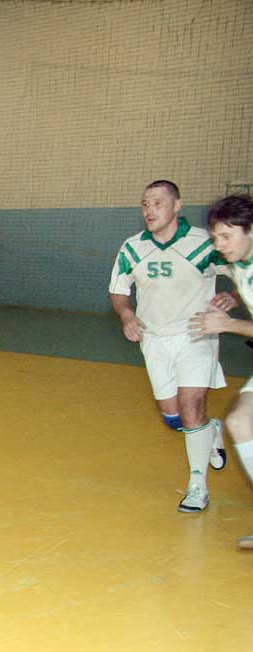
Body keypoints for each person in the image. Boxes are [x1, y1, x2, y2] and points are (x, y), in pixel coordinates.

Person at [108, 180, 234, 513]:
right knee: (174, 417)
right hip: (154, 339)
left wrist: (233, 296)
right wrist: (126, 314)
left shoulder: (204, 243)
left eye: (158, 203)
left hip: (197, 334)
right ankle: (211, 430)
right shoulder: (132, 248)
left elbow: (242, 270)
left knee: (192, 408)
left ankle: (197, 486)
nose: (149, 210)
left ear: (177, 206)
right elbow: (119, 291)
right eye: (145, 204)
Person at [188, 194, 253, 547]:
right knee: (240, 421)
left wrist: (227, 324)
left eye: (227, 236)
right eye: (215, 237)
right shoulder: (240, 262)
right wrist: (234, 296)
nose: (219, 245)